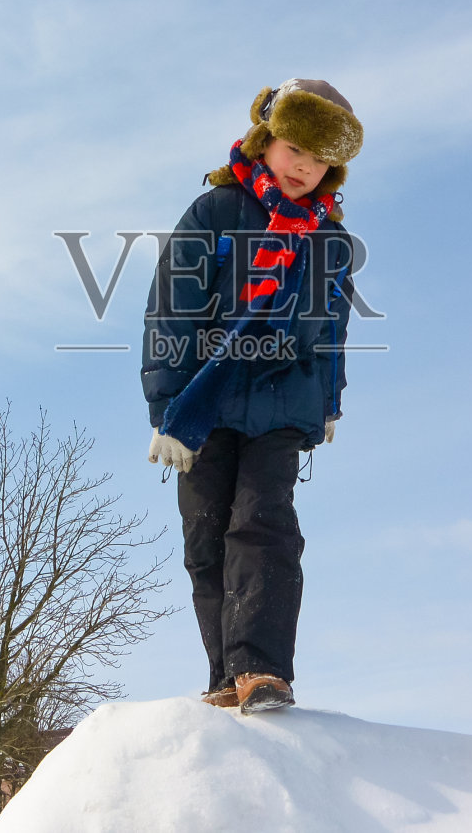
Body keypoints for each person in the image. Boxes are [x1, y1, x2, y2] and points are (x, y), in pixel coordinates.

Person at [141, 78, 362, 715]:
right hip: (204, 405)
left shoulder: (331, 245)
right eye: (295, 148)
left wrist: (328, 402)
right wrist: (166, 409)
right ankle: (224, 673)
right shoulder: (214, 213)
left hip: (279, 407)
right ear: (267, 141)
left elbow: (333, 334)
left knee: (262, 524)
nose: (303, 167)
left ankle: (262, 669)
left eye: (320, 159)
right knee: (206, 537)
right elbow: (170, 313)